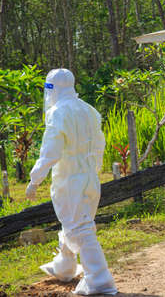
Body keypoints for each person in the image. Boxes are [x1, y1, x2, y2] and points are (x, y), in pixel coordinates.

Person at [26, 69, 117, 295]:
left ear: (51, 88)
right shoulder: (88, 110)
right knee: (77, 222)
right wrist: (92, 171)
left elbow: (50, 153)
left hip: (69, 179)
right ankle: (65, 266)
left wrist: (34, 179)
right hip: (88, 177)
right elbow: (99, 145)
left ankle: (99, 280)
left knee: (81, 228)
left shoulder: (58, 113)